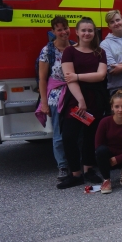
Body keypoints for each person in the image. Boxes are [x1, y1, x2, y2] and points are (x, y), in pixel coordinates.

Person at [57, 17, 108, 189]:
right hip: (75, 98)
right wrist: (80, 101)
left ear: (94, 33)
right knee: (69, 136)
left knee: (90, 136)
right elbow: (68, 78)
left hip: (96, 98)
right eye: (83, 30)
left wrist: (78, 76)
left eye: (90, 30)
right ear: (77, 32)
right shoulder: (69, 52)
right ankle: (75, 174)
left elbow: (100, 75)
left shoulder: (100, 52)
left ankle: (88, 170)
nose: (87, 33)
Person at [36, 16, 74, 183]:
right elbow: (42, 79)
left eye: (65, 28)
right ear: (53, 31)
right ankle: (63, 166)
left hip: (74, 94)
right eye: (59, 29)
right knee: (58, 133)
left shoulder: (75, 47)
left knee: (75, 131)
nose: (63, 32)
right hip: (55, 96)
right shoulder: (47, 51)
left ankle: (77, 164)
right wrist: (44, 103)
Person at [100, 10, 122, 103]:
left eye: (117, 20)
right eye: (112, 22)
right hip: (117, 89)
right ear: (109, 26)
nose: (116, 23)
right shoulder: (105, 44)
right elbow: (112, 70)